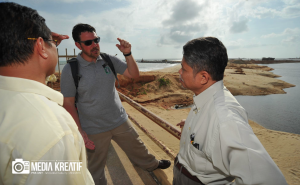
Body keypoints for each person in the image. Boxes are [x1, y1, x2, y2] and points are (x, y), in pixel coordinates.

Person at [60, 23, 171, 185]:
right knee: (95, 167)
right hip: (93, 128)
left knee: (138, 147)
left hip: (119, 120)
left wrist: (128, 54)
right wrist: (80, 131)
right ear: (78, 45)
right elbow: (68, 102)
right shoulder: (71, 69)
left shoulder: (108, 59)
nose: (94, 45)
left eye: (96, 40)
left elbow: (134, 74)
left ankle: (152, 165)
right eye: (88, 42)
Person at [0, 2, 94, 185]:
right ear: (41, 46)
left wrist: (45, 39)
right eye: (53, 43)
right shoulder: (52, 129)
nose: (56, 47)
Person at [173, 37, 287, 185]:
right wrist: (191, 126)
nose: (179, 72)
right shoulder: (205, 97)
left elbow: (269, 181)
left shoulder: (225, 119)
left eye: (184, 68)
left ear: (203, 77)